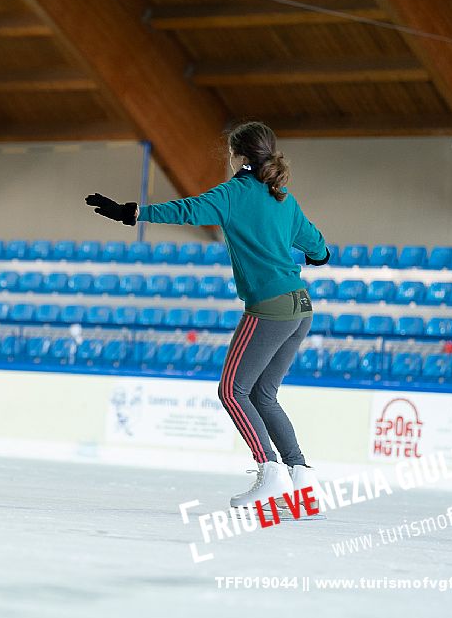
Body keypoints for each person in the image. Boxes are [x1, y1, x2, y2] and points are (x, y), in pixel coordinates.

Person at [85, 121, 329, 514]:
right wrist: (311, 253)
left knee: (232, 391)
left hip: (269, 308)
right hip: (301, 308)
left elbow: (186, 209)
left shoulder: (234, 193)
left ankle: (270, 472)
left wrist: (131, 213)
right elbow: (319, 249)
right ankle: (302, 477)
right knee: (263, 395)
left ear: (237, 155)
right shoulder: (283, 196)